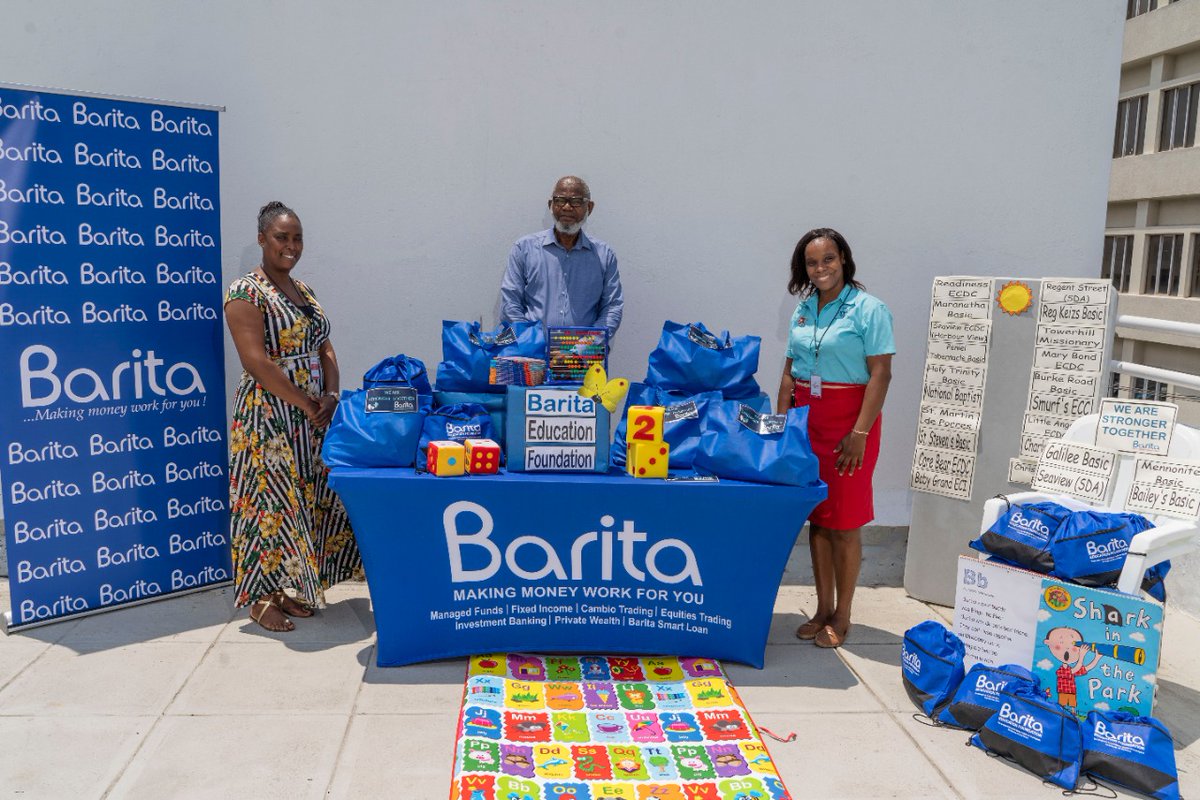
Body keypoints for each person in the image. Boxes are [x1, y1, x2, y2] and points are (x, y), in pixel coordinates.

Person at [224, 201, 361, 632]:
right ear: (262, 239)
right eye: (281, 237)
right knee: (267, 503)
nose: (291, 245)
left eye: (297, 237)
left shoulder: (305, 291)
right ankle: (260, 600)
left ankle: (283, 587)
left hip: (312, 414)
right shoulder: (245, 293)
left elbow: (325, 346)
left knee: (300, 499)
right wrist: (306, 401)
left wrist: (331, 394)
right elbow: (255, 362)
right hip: (268, 415)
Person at [776, 227, 894, 649]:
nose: (820, 268)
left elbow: (881, 373)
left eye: (828, 259)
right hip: (808, 422)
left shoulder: (869, 309)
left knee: (844, 523)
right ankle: (822, 609)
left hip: (850, 425)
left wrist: (860, 432)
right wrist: (784, 425)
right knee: (819, 519)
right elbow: (790, 371)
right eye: (812, 262)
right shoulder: (804, 309)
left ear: (843, 258)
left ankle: (842, 616)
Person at [500, 175, 624, 340]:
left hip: (584, 358)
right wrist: (531, 343)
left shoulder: (604, 255)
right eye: (560, 200)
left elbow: (612, 308)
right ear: (551, 205)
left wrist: (586, 346)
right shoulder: (524, 249)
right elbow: (510, 304)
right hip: (532, 357)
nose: (567, 207)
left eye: (576, 201)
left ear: (590, 207)